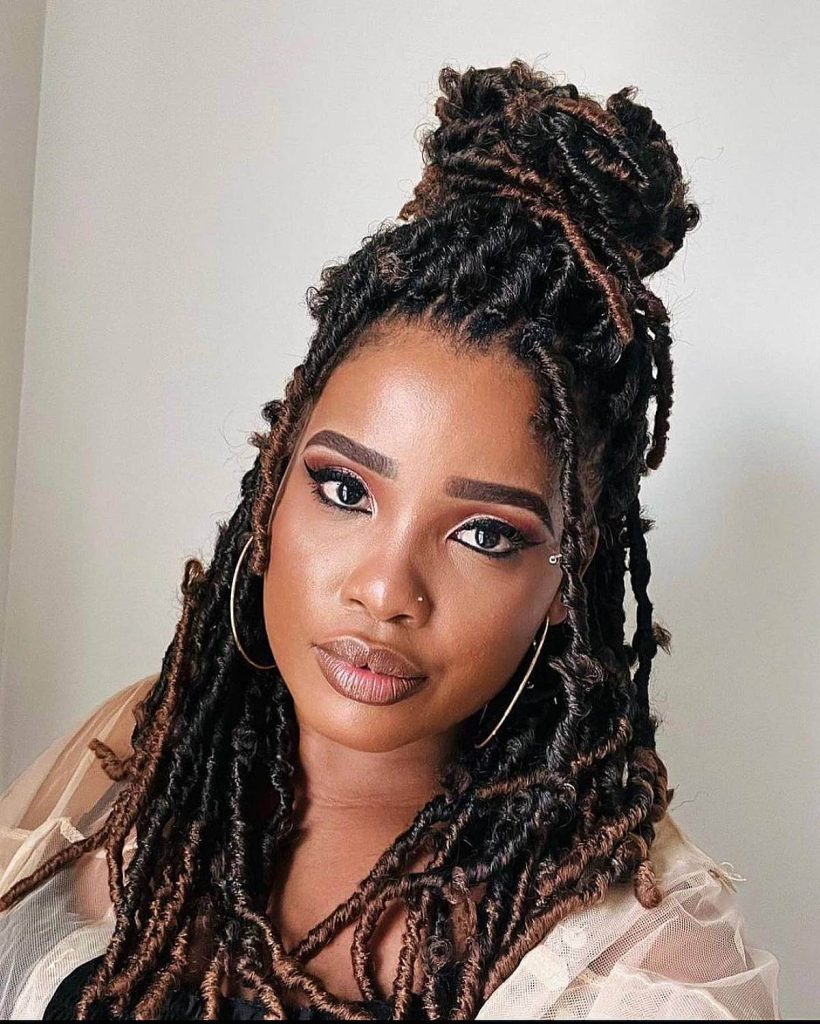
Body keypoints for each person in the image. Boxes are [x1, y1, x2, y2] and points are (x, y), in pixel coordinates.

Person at [0, 59, 780, 1019]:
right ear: (273, 482)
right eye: (344, 489)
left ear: (565, 577)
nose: (385, 589)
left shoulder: (641, 962)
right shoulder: (140, 754)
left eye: (485, 533)